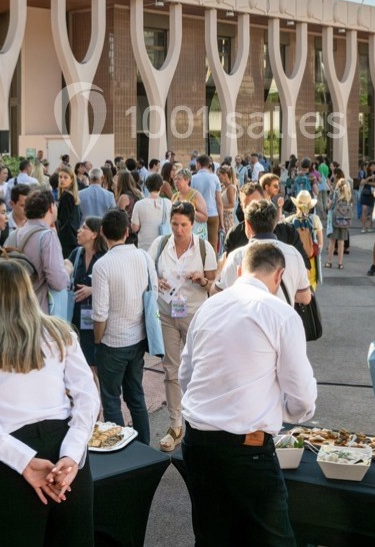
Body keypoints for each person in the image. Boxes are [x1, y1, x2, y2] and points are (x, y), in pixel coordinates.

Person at [0, 259, 99, 547]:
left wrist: (25, 461)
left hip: (8, 457)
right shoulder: (59, 331)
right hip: (61, 452)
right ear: (28, 291)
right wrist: (71, 454)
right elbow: (88, 397)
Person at [179, 240, 317, 547]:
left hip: (198, 442)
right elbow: (303, 398)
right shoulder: (281, 314)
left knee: (212, 536)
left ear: (240, 271)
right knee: (273, 539)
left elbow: (185, 376)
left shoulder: (208, 307)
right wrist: (284, 412)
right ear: (279, 275)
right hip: (247, 450)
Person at [147, 201, 217, 451]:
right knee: (171, 369)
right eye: (174, 223)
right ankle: (175, 425)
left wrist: (203, 280)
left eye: (184, 225)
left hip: (196, 316)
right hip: (166, 314)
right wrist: (158, 280)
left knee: (198, 369)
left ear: (193, 224)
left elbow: (215, 285)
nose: (178, 229)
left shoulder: (204, 247)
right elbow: (149, 273)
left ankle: (199, 424)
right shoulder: (160, 244)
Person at [91, 208, 154, 442]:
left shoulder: (103, 266)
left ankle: (121, 449)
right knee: (136, 396)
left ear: (102, 233)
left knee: (111, 400)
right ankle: (145, 446)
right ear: (127, 231)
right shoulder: (143, 257)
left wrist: (98, 339)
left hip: (112, 341)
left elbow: (100, 313)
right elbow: (152, 293)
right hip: (138, 338)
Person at [10, 189, 71, 308]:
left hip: (17, 306)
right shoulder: (47, 236)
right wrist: (67, 269)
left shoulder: (15, 234)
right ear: (51, 208)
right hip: (39, 309)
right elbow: (57, 281)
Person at [69, 216, 108, 385]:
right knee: (82, 368)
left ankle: (101, 404)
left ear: (94, 234)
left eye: (83, 228)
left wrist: (92, 289)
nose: (79, 231)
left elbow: (114, 285)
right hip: (76, 318)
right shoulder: (75, 254)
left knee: (98, 368)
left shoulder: (104, 257)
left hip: (98, 319)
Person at [286, 190, 324, 288]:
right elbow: (320, 243)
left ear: (297, 205)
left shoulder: (289, 220)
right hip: (310, 258)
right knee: (309, 288)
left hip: (294, 258)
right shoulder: (315, 219)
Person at [130, 173, 172, 250]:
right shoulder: (168, 203)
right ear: (161, 186)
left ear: (147, 186)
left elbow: (135, 228)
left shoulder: (139, 204)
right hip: (164, 244)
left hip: (145, 245)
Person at [191, 155, 222, 242]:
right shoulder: (215, 178)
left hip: (198, 214)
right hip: (213, 213)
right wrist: (221, 221)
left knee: (199, 243)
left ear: (198, 164)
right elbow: (219, 201)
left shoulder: (193, 178)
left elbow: (191, 197)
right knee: (213, 244)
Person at [172, 168, 209, 241]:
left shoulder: (196, 195)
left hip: (193, 234)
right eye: (175, 179)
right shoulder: (174, 196)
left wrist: (190, 211)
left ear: (187, 180)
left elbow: (205, 217)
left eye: (179, 179)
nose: (176, 182)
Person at [54, 166, 82, 258]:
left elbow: (63, 220)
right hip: (71, 237)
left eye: (65, 177)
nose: (62, 180)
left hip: (66, 239)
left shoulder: (67, 197)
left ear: (72, 180)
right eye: (60, 177)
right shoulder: (69, 196)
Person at [326, 176, 353, 270]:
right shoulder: (348, 195)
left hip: (335, 219)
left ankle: (329, 262)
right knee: (341, 242)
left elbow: (329, 206)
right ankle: (340, 263)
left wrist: (328, 207)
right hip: (345, 220)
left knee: (332, 241)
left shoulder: (334, 193)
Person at [217, 164, 238, 253]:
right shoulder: (222, 187)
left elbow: (232, 204)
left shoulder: (230, 188)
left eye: (220, 175)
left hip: (227, 216)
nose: (219, 177)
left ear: (225, 175)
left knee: (227, 240)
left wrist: (220, 206)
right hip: (222, 215)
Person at [358, 161, 375, 232]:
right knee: (364, 209)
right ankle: (363, 227)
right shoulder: (365, 173)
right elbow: (361, 182)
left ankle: (371, 227)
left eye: (374, 166)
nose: (373, 167)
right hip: (365, 193)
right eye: (372, 166)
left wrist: (368, 183)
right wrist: (369, 178)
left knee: (372, 211)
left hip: (373, 194)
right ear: (369, 167)